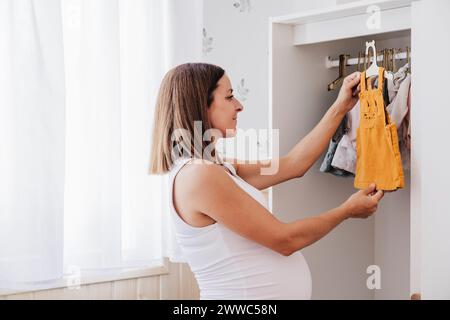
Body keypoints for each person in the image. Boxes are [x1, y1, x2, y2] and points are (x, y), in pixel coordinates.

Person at [149, 63, 384, 299]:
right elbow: (285, 240)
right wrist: (347, 211)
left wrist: (340, 106)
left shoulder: (218, 168)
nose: (239, 106)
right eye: (229, 96)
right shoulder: (200, 176)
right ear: (201, 104)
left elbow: (294, 164)